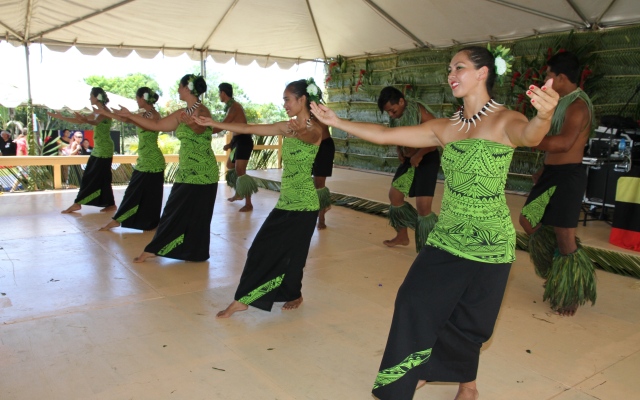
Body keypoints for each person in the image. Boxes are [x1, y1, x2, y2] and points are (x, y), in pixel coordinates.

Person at [310, 46, 559, 400]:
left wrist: (545, 116)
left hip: (489, 242)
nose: (451, 74)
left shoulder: (506, 120)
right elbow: (385, 135)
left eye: (459, 67)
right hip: (447, 236)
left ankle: (466, 384)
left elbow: (531, 135)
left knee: (469, 320)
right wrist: (337, 122)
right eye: (449, 69)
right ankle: (413, 372)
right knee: (412, 298)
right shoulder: (445, 127)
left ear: (483, 72)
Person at [193, 78, 324, 318]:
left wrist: (300, 131)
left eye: (287, 99)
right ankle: (251, 297)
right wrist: (213, 122)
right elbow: (250, 128)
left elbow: (310, 136)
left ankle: (290, 294)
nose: (284, 103)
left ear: (302, 99)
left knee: (294, 256)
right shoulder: (286, 126)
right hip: (286, 203)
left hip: (305, 205)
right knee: (260, 249)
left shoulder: (317, 128)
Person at [519, 51, 597, 317]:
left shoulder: (578, 106)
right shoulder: (562, 102)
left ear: (561, 77)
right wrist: (543, 167)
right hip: (552, 174)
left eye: (549, 76)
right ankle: (555, 267)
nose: (546, 82)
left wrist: (528, 138)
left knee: (565, 237)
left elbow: (564, 143)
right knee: (528, 220)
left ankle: (570, 291)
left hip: (569, 177)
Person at [109, 74, 217, 262]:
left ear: (187, 88)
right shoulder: (182, 112)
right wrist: (130, 115)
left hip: (203, 172)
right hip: (187, 170)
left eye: (179, 86)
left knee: (194, 213)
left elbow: (201, 129)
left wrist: (193, 124)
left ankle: (191, 251)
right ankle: (164, 248)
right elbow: (156, 125)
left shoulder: (202, 111)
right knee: (174, 210)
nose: (177, 90)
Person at [377, 86, 439, 251]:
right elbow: (396, 133)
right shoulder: (397, 116)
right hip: (408, 159)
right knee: (395, 196)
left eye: (392, 110)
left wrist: (419, 154)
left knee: (423, 208)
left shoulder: (420, 112)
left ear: (401, 101)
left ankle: (429, 248)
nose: (391, 114)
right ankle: (402, 235)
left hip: (427, 158)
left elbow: (437, 136)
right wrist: (400, 150)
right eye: (388, 112)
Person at [96, 87, 165, 231]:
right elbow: (127, 119)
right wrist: (108, 113)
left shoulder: (153, 115)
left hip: (152, 161)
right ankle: (123, 220)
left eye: (137, 98)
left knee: (146, 194)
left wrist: (127, 116)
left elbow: (135, 122)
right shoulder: (145, 114)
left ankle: (147, 222)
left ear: (142, 98)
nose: (136, 100)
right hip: (145, 160)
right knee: (136, 192)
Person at [48, 87, 117, 214]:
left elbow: (95, 122)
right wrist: (61, 117)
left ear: (97, 97)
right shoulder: (96, 111)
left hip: (104, 148)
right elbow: (79, 120)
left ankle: (78, 203)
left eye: (91, 96)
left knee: (91, 175)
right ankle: (110, 204)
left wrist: (85, 119)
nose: (90, 98)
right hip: (99, 148)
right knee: (102, 176)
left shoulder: (104, 111)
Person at [216, 82, 258, 212]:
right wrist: (231, 143)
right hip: (237, 141)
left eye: (219, 93)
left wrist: (206, 130)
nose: (219, 95)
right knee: (230, 166)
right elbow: (234, 127)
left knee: (240, 171)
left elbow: (223, 124)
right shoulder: (231, 107)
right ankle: (239, 193)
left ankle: (249, 203)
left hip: (244, 141)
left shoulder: (234, 107)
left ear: (223, 93)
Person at [311, 112, 334, 230]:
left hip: (324, 146)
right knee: (313, 183)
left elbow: (319, 130)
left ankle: (321, 218)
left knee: (320, 184)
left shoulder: (320, 113)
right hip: (310, 147)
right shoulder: (301, 113)